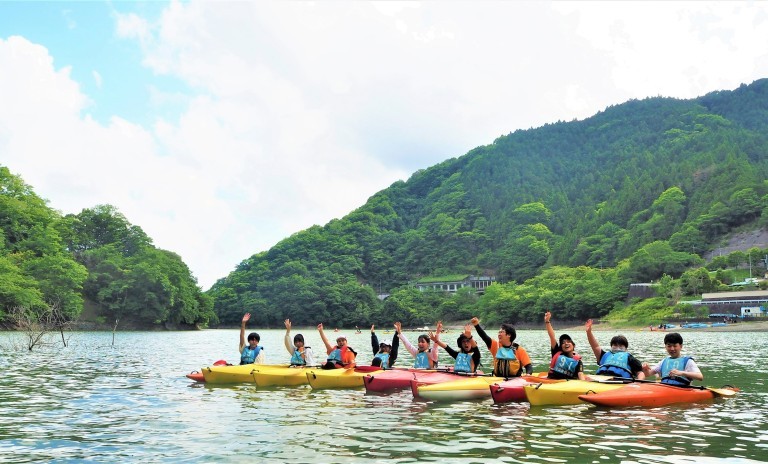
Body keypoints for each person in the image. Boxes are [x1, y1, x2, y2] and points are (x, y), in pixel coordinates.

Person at [544, 311, 585, 380]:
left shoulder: (578, 362)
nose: (566, 343)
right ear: (561, 347)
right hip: (552, 381)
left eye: (568, 342)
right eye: (563, 342)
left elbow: (580, 374)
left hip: (567, 384)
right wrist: (547, 321)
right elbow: (552, 337)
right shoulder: (556, 352)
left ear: (573, 345)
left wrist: (585, 386)